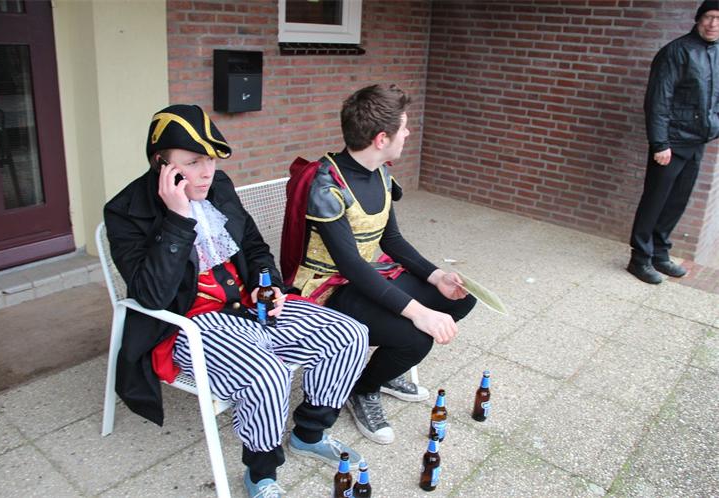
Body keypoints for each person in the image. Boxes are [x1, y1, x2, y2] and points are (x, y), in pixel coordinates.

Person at [104, 104, 369, 497]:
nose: (207, 172)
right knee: (268, 374)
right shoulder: (125, 211)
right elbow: (151, 295)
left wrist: (270, 285)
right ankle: (261, 474)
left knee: (349, 334)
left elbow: (255, 247)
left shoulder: (219, 187)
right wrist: (177, 219)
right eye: (192, 162)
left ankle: (309, 433)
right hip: (189, 323)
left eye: (210, 160)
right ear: (161, 164)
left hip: (248, 305)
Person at [281, 84, 477, 444]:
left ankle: (383, 371)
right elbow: (350, 266)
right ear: (381, 139)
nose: (408, 133)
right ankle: (363, 389)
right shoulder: (327, 185)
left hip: (367, 274)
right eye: (403, 127)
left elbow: (392, 241)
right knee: (415, 337)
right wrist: (418, 312)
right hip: (327, 289)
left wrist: (437, 276)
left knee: (459, 299)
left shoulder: (381, 173)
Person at [628, 0, 719, 284]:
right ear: (698, 18)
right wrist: (660, 143)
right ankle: (639, 259)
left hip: (697, 142)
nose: (713, 24)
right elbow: (658, 100)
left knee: (676, 202)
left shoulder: (716, 52)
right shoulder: (676, 51)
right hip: (671, 143)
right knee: (655, 201)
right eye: (709, 16)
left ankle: (660, 253)